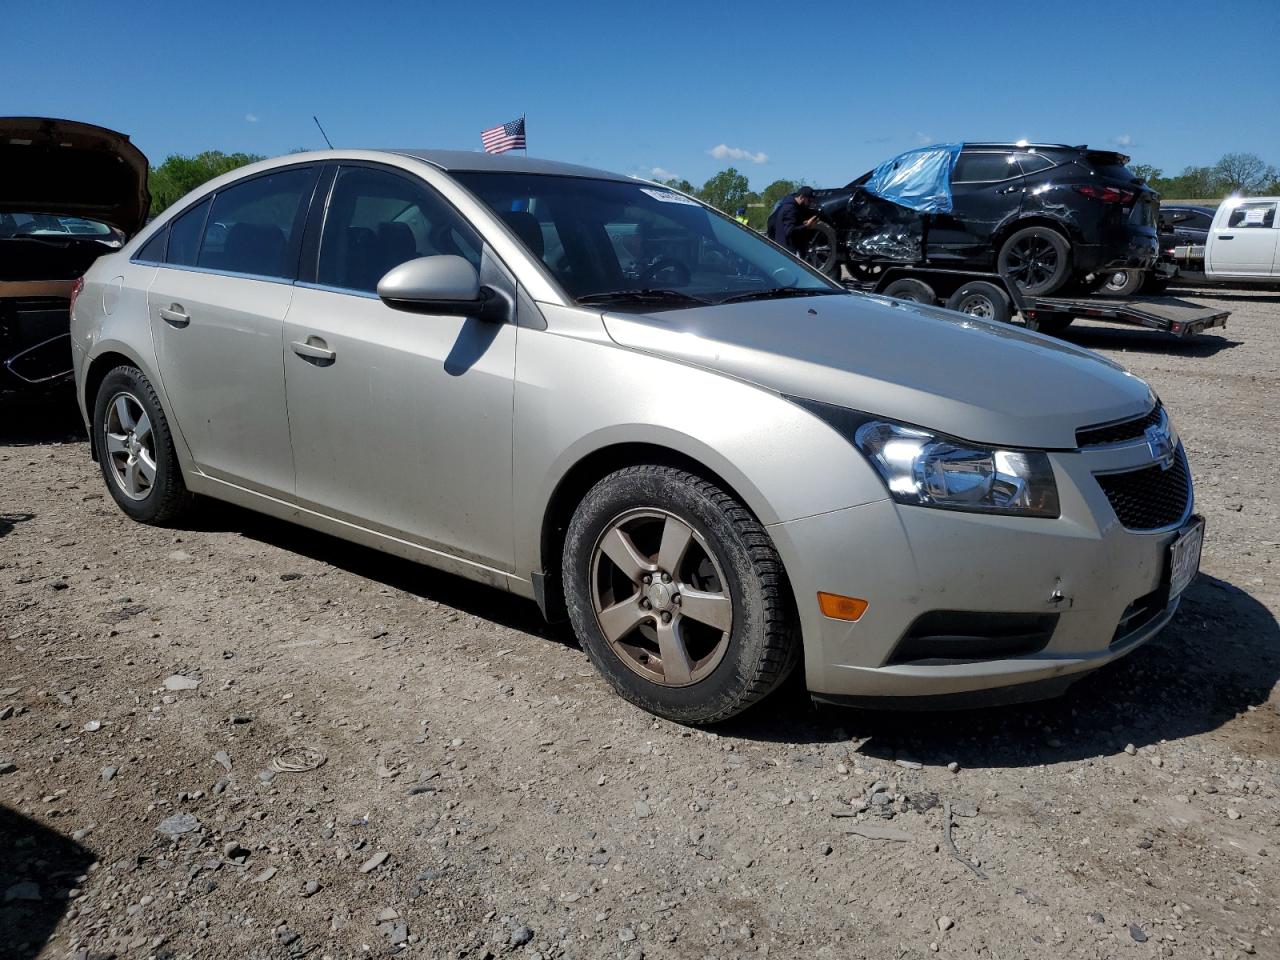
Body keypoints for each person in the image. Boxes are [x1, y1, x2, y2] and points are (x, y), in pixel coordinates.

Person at [767, 186, 820, 254]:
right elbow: (789, 232)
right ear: (801, 197)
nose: (809, 204)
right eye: (809, 201)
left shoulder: (793, 207)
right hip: (785, 251)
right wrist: (806, 226)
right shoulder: (790, 209)